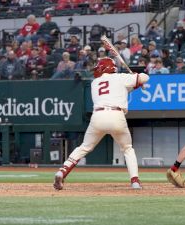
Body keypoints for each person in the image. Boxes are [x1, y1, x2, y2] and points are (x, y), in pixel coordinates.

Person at [53, 57, 149, 190]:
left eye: (99, 67)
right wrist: (136, 78)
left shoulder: (95, 82)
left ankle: (62, 171)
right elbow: (145, 77)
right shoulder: (120, 78)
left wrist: (135, 83)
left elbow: (121, 90)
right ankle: (135, 181)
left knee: (84, 147)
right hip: (117, 116)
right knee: (127, 148)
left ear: (105, 68)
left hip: (98, 116)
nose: (97, 70)